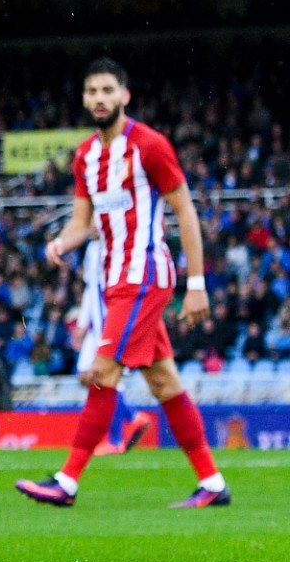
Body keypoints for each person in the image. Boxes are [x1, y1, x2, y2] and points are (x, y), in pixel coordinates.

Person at [17, 59, 230, 509]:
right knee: (164, 383)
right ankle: (212, 483)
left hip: (144, 275)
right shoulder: (85, 157)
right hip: (114, 279)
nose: (100, 98)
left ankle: (67, 482)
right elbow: (82, 223)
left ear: (124, 96)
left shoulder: (149, 145)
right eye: (92, 90)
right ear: (84, 98)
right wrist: (61, 243)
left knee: (100, 373)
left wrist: (197, 284)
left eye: (108, 90)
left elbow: (186, 212)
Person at [67, 236, 152, 456]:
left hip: (108, 325)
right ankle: (131, 418)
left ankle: (116, 437)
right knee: (88, 376)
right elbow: (90, 289)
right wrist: (83, 325)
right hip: (97, 327)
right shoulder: (92, 249)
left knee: (104, 379)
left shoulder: (113, 247)